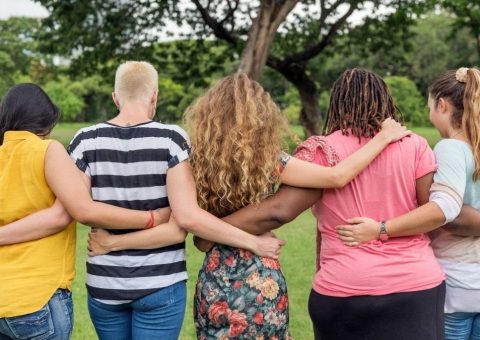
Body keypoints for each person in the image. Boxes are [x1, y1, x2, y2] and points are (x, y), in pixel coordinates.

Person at [88, 72, 410, 339]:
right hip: (261, 276)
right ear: (262, 116)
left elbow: (190, 227)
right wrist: (382, 138)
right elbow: (337, 177)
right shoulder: (271, 161)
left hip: (215, 281)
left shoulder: (193, 161)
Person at [6, 62, 286, 340]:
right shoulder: (172, 139)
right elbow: (184, 220)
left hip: (105, 284)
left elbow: (81, 209)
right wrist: (254, 242)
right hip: (160, 284)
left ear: (115, 97)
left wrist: (113, 241)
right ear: (154, 95)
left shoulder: (84, 141)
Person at [185, 68, 446, 340]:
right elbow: (429, 214)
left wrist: (210, 233)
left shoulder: (323, 150)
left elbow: (278, 211)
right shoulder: (415, 145)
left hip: (345, 286)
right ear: (386, 100)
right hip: (416, 283)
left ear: (337, 103)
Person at [0, 83, 178, 340]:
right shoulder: (47, 150)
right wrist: (152, 218)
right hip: (37, 297)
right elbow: (77, 211)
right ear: (46, 122)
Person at [335, 67, 480, 340]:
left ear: (442, 105)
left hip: (458, 282)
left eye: (429, 107)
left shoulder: (451, 148)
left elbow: (447, 209)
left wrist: (380, 228)